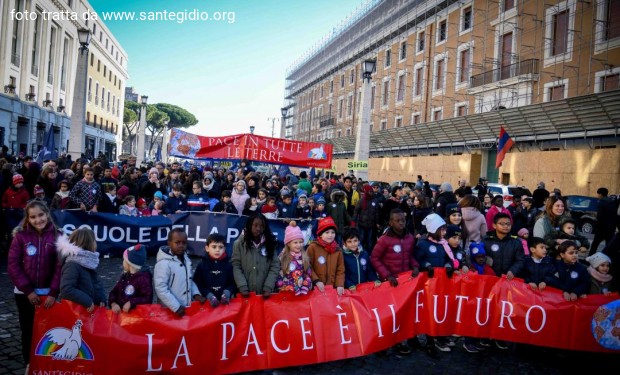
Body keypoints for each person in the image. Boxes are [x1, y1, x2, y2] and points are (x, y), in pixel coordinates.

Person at [8, 201, 61, 366]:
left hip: (48, 294)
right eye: (33, 217)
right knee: (28, 330)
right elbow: (13, 265)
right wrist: (28, 291)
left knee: (48, 330)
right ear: (28, 219)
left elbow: (60, 267)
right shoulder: (21, 236)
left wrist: (53, 292)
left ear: (47, 214)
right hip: (24, 294)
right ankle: (29, 363)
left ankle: (46, 363)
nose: (38, 220)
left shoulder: (58, 236)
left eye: (41, 215)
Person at [370, 209, 422, 356]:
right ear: (390, 222)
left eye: (403, 220)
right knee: (388, 314)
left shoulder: (409, 238)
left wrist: (415, 266)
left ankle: (399, 341)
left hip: (404, 283)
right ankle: (383, 344)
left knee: (403, 313)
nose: (401, 223)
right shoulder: (384, 240)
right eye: (397, 221)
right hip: (389, 283)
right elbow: (375, 258)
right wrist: (387, 275)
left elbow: (409, 256)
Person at [154, 228, 202, 317]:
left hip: (185, 307)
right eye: (177, 242)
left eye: (184, 243)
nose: (181, 245)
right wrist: (176, 307)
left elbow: (189, 280)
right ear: (169, 243)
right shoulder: (163, 264)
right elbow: (161, 288)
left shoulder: (187, 260)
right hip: (169, 310)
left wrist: (196, 294)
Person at [231, 213, 280, 298]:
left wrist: (268, 287)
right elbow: (236, 265)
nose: (258, 229)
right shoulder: (239, 244)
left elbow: (274, 266)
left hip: (264, 293)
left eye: (261, 226)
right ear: (249, 225)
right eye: (255, 225)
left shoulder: (270, 244)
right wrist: (242, 286)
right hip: (244, 293)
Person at [57, 228, 106, 311]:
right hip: (76, 311)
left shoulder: (88, 262)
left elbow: (96, 283)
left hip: (88, 311)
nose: (96, 243)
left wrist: (101, 298)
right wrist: (87, 301)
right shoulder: (72, 265)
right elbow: (66, 290)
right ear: (88, 243)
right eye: (94, 241)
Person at [307, 216, 346, 296]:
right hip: (316, 288)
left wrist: (339, 284)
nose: (330, 235)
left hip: (333, 289)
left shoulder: (338, 250)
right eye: (327, 232)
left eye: (333, 232)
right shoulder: (313, 247)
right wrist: (316, 280)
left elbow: (340, 269)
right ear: (321, 234)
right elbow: (308, 266)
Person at [108, 244, 153, 313]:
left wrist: (131, 303)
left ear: (131, 264)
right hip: (121, 316)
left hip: (136, 318)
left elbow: (147, 299)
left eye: (124, 260)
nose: (122, 262)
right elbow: (114, 292)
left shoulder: (144, 279)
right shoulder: (124, 276)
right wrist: (113, 303)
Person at [193, 233, 235, 307]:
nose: (217, 250)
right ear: (207, 248)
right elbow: (197, 284)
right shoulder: (202, 265)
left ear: (224, 249)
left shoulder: (228, 265)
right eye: (214, 247)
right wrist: (208, 294)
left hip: (225, 305)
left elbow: (232, 283)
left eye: (220, 247)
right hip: (206, 303)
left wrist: (227, 292)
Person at [483, 213, 525, 282]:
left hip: (508, 280)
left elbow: (520, 260)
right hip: (490, 278)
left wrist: (513, 270)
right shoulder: (486, 240)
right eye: (502, 224)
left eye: (508, 224)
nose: (506, 226)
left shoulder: (516, 242)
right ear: (494, 225)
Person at [276, 221, 312, 295]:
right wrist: (288, 288)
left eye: (301, 242)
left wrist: (305, 286)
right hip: (287, 294)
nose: (299, 245)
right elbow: (278, 277)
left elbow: (308, 274)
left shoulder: (304, 256)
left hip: (302, 293)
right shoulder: (282, 257)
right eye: (295, 242)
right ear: (289, 244)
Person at [590, 187, 619, 255]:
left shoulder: (602, 203)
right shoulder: (613, 202)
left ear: (600, 194)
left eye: (598, 194)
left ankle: (589, 258)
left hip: (602, 229)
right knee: (609, 245)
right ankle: (607, 259)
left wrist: (597, 227)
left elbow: (600, 217)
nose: (598, 196)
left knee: (595, 245)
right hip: (611, 228)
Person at [353, 184, 380, 253]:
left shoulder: (375, 200)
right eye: (370, 191)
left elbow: (377, 212)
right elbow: (356, 211)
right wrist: (353, 222)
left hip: (370, 225)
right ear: (367, 192)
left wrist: (377, 222)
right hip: (362, 224)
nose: (371, 193)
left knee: (369, 240)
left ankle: (368, 254)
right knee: (361, 239)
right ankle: (359, 252)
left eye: (372, 191)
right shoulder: (362, 200)